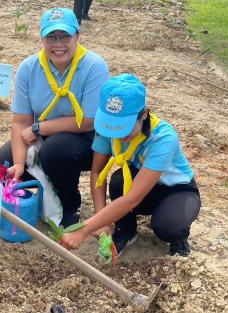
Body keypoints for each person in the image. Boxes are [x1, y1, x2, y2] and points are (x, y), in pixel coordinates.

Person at [0, 8, 109, 227]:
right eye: (51, 37)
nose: (58, 44)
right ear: (42, 39)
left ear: (77, 37)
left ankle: (70, 202)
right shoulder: (29, 68)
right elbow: (20, 122)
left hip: (85, 139)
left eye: (65, 36)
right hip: (42, 135)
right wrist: (18, 164)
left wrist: (38, 129)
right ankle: (45, 195)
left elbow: (90, 121)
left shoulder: (94, 66)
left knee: (55, 150)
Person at [60, 74, 201, 257]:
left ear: (143, 113)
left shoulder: (163, 139)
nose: (117, 134)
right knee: (118, 181)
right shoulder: (106, 129)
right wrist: (102, 220)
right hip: (140, 183)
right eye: (111, 125)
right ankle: (126, 229)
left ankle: (178, 238)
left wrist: (83, 230)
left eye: (123, 127)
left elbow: (132, 199)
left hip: (176, 190)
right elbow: (97, 172)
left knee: (169, 227)